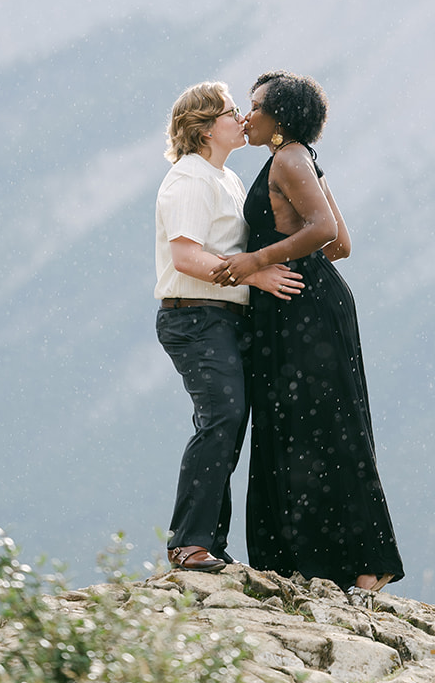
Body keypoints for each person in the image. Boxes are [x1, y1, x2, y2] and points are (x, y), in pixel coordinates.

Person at [215, 71, 404, 593]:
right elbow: (340, 244)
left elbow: (323, 231)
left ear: (280, 117)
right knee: (321, 429)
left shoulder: (288, 159)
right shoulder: (301, 158)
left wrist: (255, 258)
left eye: (254, 107)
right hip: (307, 304)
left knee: (313, 430)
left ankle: (358, 565)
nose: (245, 116)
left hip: (302, 309)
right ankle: (334, 564)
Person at [154, 80, 304, 572]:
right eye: (230, 111)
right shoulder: (191, 179)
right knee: (221, 416)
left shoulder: (226, 179)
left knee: (228, 422)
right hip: (194, 314)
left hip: (221, 316)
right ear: (202, 128)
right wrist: (256, 273)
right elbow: (186, 256)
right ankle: (188, 543)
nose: (240, 118)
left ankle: (207, 543)